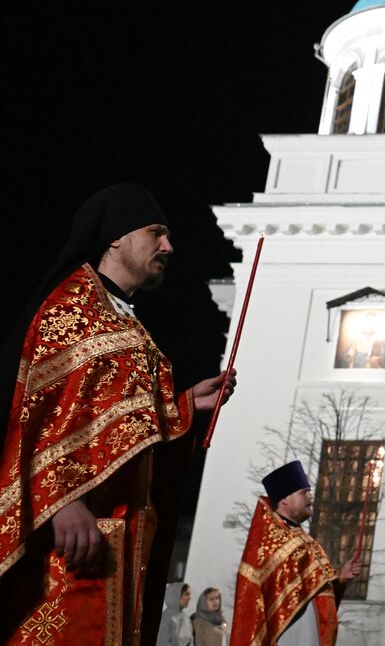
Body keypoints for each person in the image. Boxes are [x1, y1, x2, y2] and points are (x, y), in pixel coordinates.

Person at [0, 183, 237, 645]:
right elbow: (36, 413)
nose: (167, 246)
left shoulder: (125, 320)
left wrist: (185, 405)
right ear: (116, 238)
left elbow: (117, 421)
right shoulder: (72, 308)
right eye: (156, 233)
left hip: (123, 536)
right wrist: (64, 502)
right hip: (73, 536)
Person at [230, 460, 361, 646]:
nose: (310, 496)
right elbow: (258, 603)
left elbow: (315, 592)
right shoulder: (267, 542)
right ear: (284, 499)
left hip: (313, 634)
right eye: (303, 492)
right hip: (289, 634)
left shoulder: (306, 540)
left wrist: (340, 579)